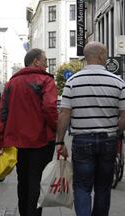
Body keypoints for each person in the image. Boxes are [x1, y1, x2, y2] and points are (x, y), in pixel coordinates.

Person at [56, 42, 125, 216]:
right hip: (108, 140)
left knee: (82, 187)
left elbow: (64, 114)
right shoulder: (118, 82)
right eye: (106, 54)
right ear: (101, 56)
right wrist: (115, 132)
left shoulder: (72, 82)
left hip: (82, 141)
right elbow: (124, 116)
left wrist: (60, 141)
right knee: (103, 187)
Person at [0, 48, 58, 216]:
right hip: (41, 140)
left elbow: (2, 113)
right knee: (37, 181)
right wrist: (57, 129)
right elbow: (50, 108)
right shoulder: (46, 80)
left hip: (16, 141)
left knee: (23, 181)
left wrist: (0, 140)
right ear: (35, 61)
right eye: (44, 60)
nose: (46, 64)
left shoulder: (11, 83)